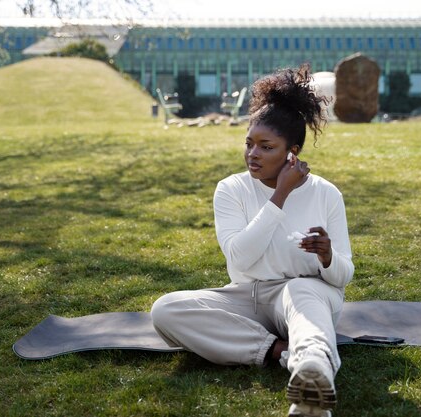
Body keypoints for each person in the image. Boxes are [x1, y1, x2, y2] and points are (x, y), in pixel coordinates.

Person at [151, 63, 354, 417]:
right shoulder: (231, 189)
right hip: (249, 297)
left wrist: (328, 257)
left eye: (265, 146)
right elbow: (240, 260)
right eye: (249, 143)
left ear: (291, 152)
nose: (252, 154)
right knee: (166, 309)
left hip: (305, 294)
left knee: (299, 290)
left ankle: (313, 372)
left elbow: (343, 277)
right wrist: (280, 196)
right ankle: (279, 351)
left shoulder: (326, 194)